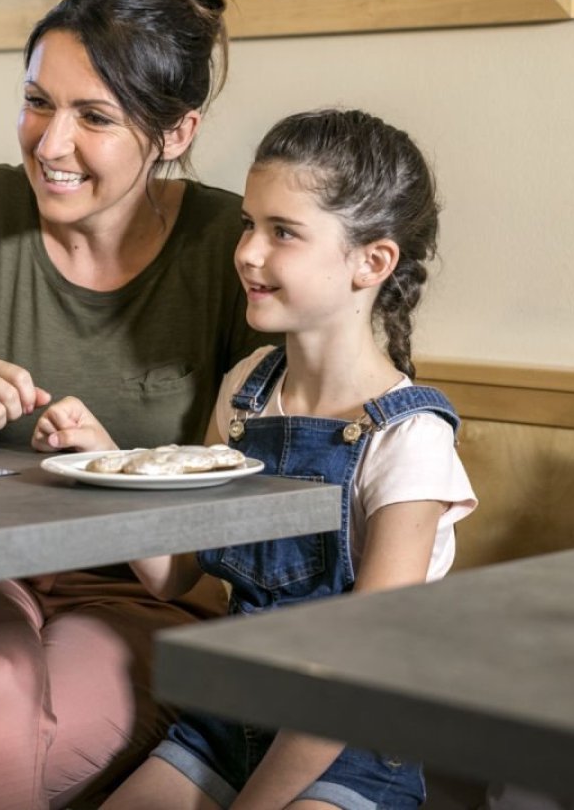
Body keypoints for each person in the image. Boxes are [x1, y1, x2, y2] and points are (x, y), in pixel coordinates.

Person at [0, 0, 273, 809]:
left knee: (2, 739)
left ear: (177, 130)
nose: (48, 143)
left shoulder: (232, 249)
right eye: (37, 101)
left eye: (94, 117)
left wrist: (124, 463)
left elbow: (263, 472)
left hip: (137, 596)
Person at [40, 108, 476, 810]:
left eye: (283, 232)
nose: (247, 251)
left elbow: (355, 671)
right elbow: (175, 574)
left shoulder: (410, 436)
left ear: (373, 261)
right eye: (249, 223)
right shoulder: (247, 390)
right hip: (227, 723)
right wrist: (111, 462)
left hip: (349, 744)